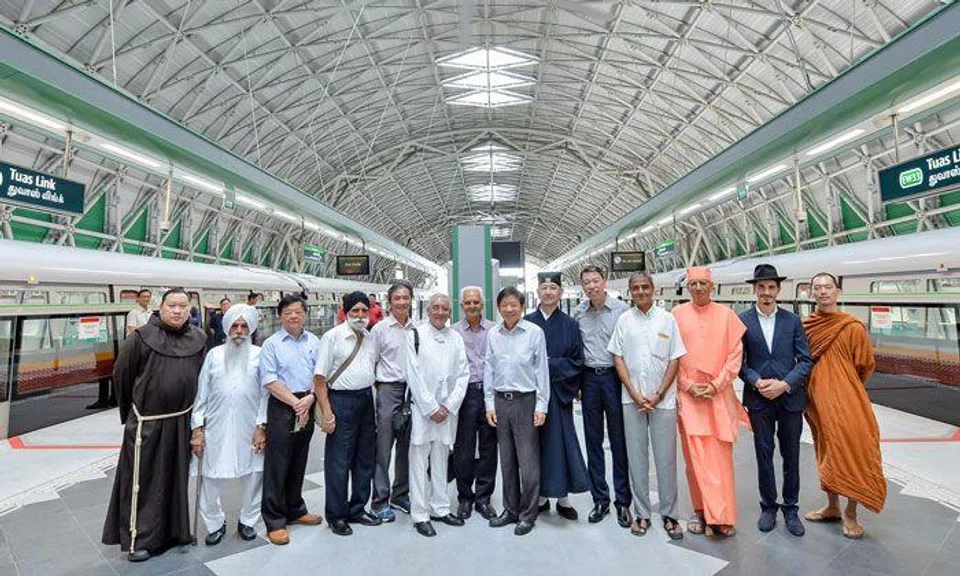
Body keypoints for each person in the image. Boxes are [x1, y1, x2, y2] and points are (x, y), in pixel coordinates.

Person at [102, 288, 207, 562]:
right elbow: (122, 375)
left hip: (182, 420)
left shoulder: (199, 338)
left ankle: (175, 533)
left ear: (190, 309)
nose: (177, 311)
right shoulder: (141, 338)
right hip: (147, 423)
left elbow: (202, 379)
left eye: (183, 306)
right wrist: (134, 413)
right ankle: (140, 539)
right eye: (172, 305)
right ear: (161, 307)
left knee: (176, 479)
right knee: (144, 482)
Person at [803, 272, 885, 539]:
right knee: (826, 449)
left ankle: (851, 513)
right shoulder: (807, 326)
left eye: (828, 287)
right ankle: (832, 507)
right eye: (817, 287)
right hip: (816, 403)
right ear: (811, 293)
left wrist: (842, 385)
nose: (823, 291)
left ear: (837, 292)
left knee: (854, 450)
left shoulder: (853, 327)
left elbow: (865, 365)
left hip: (849, 400)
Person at [672, 267, 749, 538]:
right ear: (688, 287)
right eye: (693, 283)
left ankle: (723, 515)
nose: (698, 288)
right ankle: (700, 510)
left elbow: (735, 356)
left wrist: (716, 385)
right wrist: (687, 385)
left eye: (703, 283)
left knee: (720, 459)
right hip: (689, 398)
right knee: (694, 460)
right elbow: (671, 356)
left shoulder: (727, 316)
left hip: (719, 397)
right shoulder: (676, 314)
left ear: (712, 286)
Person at [609, 272, 686, 540]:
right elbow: (618, 358)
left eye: (645, 287)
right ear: (630, 292)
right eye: (635, 288)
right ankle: (642, 514)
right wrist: (634, 392)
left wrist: (659, 393)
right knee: (637, 458)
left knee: (666, 459)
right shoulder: (624, 320)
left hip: (663, 401)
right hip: (631, 401)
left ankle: (670, 514)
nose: (640, 291)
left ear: (653, 289)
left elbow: (675, 358)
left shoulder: (668, 319)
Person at [739, 264, 813, 537]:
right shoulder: (742, 321)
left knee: (791, 454)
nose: (766, 292)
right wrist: (756, 381)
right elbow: (738, 361)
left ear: (778, 290)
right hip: (759, 399)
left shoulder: (792, 321)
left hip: (789, 398)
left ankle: (791, 509)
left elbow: (805, 360)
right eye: (761, 287)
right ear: (755, 290)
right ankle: (768, 507)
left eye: (771, 287)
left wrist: (785, 384)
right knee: (764, 452)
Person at [190, 304, 268, 545]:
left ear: (251, 329)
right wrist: (197, 430)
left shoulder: (260, 355)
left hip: (250, 426)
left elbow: (266, 394)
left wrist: (261, 426)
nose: (239, 331)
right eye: (234, 326)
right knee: (210, 477)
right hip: (216, 426)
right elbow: (201, 394)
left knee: (254, 475)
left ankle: (248, 521)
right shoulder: (214, 355)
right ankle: (215, 523)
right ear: (227, 328)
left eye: (244, 326)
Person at [314, 292, 381, 536]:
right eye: (355, 311)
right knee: (339, 461)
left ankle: (358, 508)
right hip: (341, 401)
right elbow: (319, 379)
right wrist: (327, 412)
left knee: (365, 459)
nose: (360, 315)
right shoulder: (332, 337)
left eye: (364, 310)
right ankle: (337, 515)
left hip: (365, 400)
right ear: (345, 312)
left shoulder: (370, 337)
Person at [484, 287, 549, 536]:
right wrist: (489, 404)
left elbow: (541, 371)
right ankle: (510, 510)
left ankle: (528, 514)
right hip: (501, 401)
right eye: (505, 305)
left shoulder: (534, 333)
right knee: (507, 460)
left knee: (528, 462)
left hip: (526, 401)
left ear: (522, 307)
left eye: (514, 304)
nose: (509, 309)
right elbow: (489, 370)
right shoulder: (493, 334)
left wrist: (541, 406)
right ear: (498, 307)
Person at [524, 272, 589, 520]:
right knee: (535, 445)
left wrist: (548, 365)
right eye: (544, 288)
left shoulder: (571, 325)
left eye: (553, 288)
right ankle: (540, 496)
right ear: (537, 292)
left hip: (559, 394)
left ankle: (563, 497)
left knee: (561, 444)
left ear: (561, 292)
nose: (548, 292)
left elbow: (577, 361)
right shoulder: (527, 323)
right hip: (531, 395)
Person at [404, 294, 470, 537]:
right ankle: (420, 514)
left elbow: (463, 374)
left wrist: (449, 406)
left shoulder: (456, 338)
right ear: (428, 310)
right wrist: (431, 408)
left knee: (441, 458)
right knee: (419, 461)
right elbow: (412, 374)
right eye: (436, 308)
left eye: (445, 308)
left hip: (446, 411)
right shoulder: (414, 335)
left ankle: (440, 508)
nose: (440, 312)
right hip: (423, 411)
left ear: (450, 312)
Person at [259, 295, 323, 545]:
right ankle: (275, 520)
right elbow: (269, 380)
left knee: (299, 459)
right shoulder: (271, 345)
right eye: (287, 312)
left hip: (307, 401)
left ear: (305, 314)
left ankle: (295, 509)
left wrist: (310, 398)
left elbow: (320, 374)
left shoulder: (314, 342)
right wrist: (296, 403)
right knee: (277, 464)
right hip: (283, 404)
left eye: (297, 311)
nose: (293, 316)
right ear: (280, 316)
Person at [572, 265, 632, 527]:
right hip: (588, 380)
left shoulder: (622, 311)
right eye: (587, 282)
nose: (591, 286)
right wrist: (576, 384)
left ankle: (623, 501)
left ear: (604, 282)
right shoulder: (578, 313)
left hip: (613, 379)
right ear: (582, 286)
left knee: (619, 441)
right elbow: (575, 350)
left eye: (595, 281)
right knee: (593, 441)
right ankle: (600, 499)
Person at [369, 280, 417, 522]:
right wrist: (380, 392)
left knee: (406, 446)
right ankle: (379, 500)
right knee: (383, 446)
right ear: (389, 302)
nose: (401, 302)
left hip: (412, 391)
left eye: (405, 297)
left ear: (411, 300)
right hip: (388, 389)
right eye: (397, 298)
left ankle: (400, 494)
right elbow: (371, 362)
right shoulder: (380, 330)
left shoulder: (417, 329)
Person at [451, 286, 499, 521]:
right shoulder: (453, 332)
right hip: (465, 394)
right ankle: (465, 497)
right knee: (464, 448)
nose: (472, 306)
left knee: (489, 446)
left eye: (476, 302)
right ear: (462, 306)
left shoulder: (495, 330)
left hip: (489, 393)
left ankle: (483, 498)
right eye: (468, 303)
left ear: (483, 303)